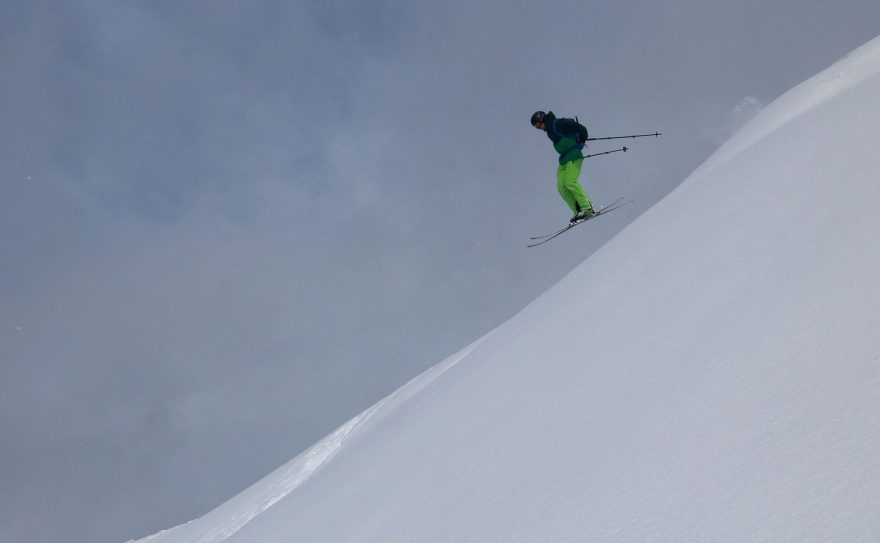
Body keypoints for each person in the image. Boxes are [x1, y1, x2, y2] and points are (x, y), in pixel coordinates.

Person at [531, 110, 595, 222]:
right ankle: (578, 210)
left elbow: (574, 124)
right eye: (536, 127)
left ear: (542, 119)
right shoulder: (549, 131)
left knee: (570, 182)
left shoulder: (556, 123)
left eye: (538, 125)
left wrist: (582, 136)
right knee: (561, 186)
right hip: (564, 159)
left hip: (574, 155)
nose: (538, 128)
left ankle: (588, 208)